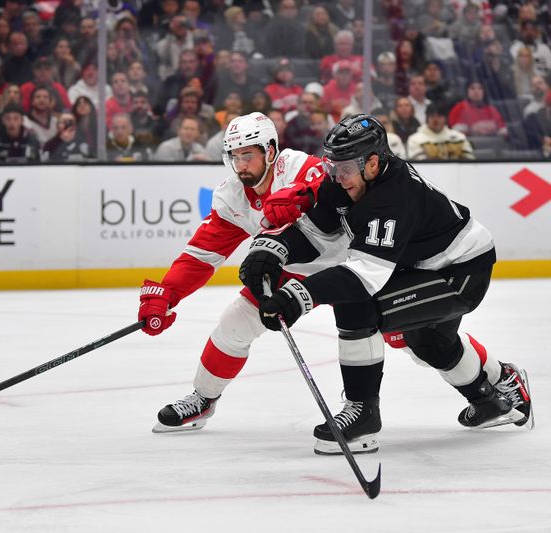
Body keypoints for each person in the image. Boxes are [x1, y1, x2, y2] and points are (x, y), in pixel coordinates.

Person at [239, 114, 533, 454]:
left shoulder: (394, 196)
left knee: (359, 305)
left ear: (373, 162)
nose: (336, 176)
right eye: (332, 166)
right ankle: (493, 397)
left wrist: (299, 296)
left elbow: (365, 276)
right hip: (427, 265)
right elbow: (317, 231)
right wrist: (273, 249)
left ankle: (363, 414)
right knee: (430, 342)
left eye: (344, 168)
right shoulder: (349, 178)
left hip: (462, 272)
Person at [139, 112, 337, 433]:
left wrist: (307, 192)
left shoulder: (297, 166)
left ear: (270, 152)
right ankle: (203, 399)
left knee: (399, 333)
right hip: (290, 272)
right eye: (235, 157)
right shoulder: (232, 196)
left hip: (348, 263)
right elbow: (201, 256)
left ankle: (452, 385)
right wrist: (168, 294)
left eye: (248, 155)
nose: (241, 165)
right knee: (234, 323)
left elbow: (333, 182)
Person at [407, 103, 475, 160]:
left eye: (439, 116)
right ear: (427, 118)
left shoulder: (459, 137)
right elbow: (420, 165)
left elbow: (470, 160)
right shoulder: (415, 139)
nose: (436, 120)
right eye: (432, 116)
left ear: (445, 118)